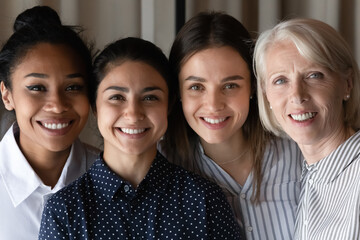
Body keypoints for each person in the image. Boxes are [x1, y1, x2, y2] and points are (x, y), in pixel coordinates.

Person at [39, 37, 242, 239]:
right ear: (94, 107)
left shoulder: (204, 200)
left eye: (150, 98)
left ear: (168, 106)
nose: (134, 114)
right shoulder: (64, 211)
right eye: (117, 97)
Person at [160, 11, 303, 240]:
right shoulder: (160, 166)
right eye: (196, 87)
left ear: (254, 86)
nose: (214, 105)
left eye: (230, 86)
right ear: (178, 92)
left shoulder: (298, 152)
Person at [254, 18, 360, 239]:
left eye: (314, 75)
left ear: (347, 84)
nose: (297, 96)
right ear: (266, 95)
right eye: (280, 80)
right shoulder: (307, 176)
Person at [0, 6, 98, 239]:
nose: (57, 105)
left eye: (73, 87)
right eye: (37, 88)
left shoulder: (114, 179)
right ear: (7, 95)